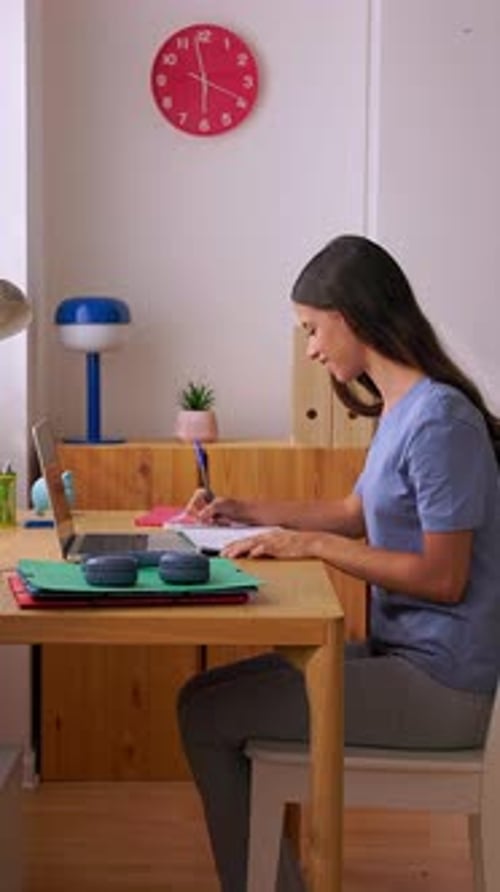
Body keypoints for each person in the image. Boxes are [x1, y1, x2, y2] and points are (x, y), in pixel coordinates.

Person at [177, 234, 500, 892]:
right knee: (204, 698)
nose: (313, 349)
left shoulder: (441, 423)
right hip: (406, 659)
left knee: (207, 715)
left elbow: (445, 577)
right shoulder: (407, 409)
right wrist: (248, 509)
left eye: (313, 329)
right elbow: (356, 511)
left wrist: (313, 546)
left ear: (349, 317)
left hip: (444, 689)